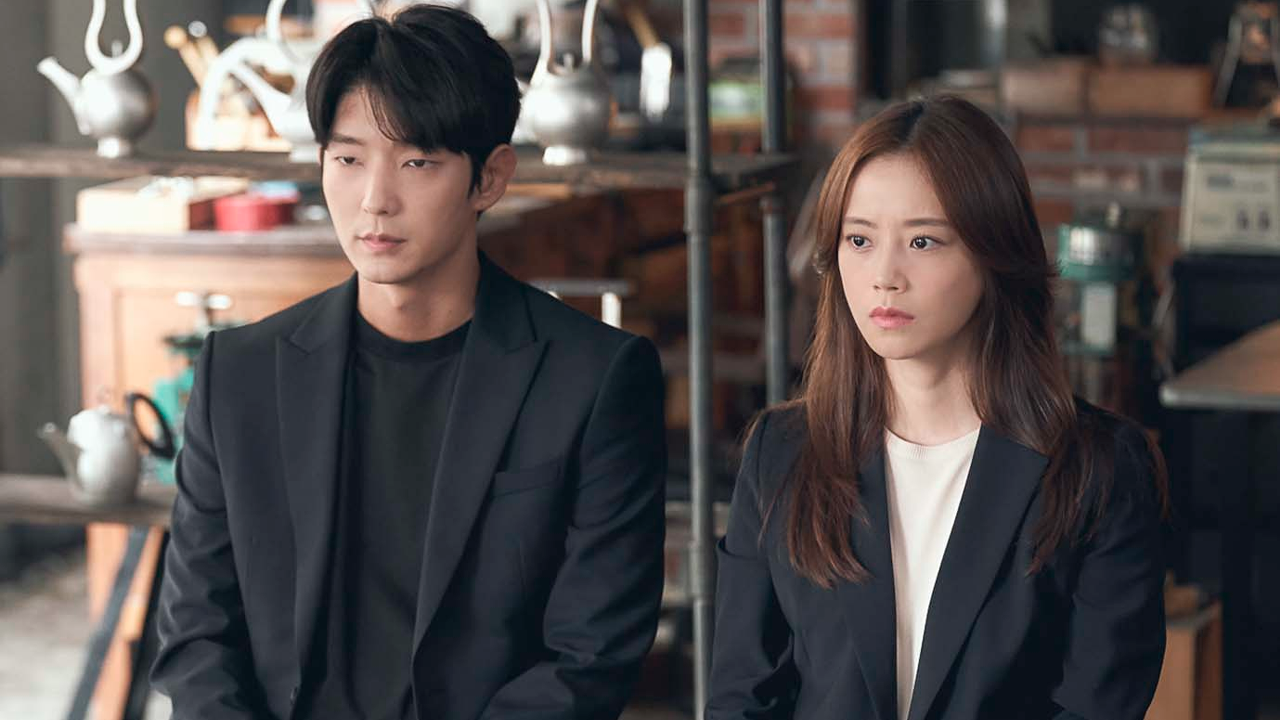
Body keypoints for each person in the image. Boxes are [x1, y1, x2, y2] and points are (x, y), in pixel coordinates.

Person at [151, 6, 667, 719]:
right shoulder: (238, 375)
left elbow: (591, 658)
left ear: (490, 178)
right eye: (348, 159)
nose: (375, 201)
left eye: (416, 162)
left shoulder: (595, 379)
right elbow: (196, 634)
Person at [705, 95, 1169, 720]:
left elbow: (1096, 707)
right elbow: (742, 698)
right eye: (859, 239)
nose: (884, 276)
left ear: (993, 252)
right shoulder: (780, 455)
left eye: (923, 241)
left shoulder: (1099, 471)